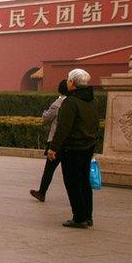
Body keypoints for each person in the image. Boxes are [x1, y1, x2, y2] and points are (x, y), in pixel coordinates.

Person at [48, 69, 98, 229]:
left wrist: (53, 148)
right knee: (84, 182)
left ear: (73, 83)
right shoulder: (93, 100)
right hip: (88, 146)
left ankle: (79, 217)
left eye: (69, 80)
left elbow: (63, 128)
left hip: (72, 148)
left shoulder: (70, 102)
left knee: (72, 183)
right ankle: (88, 216)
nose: (67, 82)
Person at [31, 80, 68, 203]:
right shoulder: (75, 102)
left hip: (55, 141)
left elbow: (46, 118)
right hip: (70, 142)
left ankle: (42, 192)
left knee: (49, 169)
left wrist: (44, 112)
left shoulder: (57, 104)